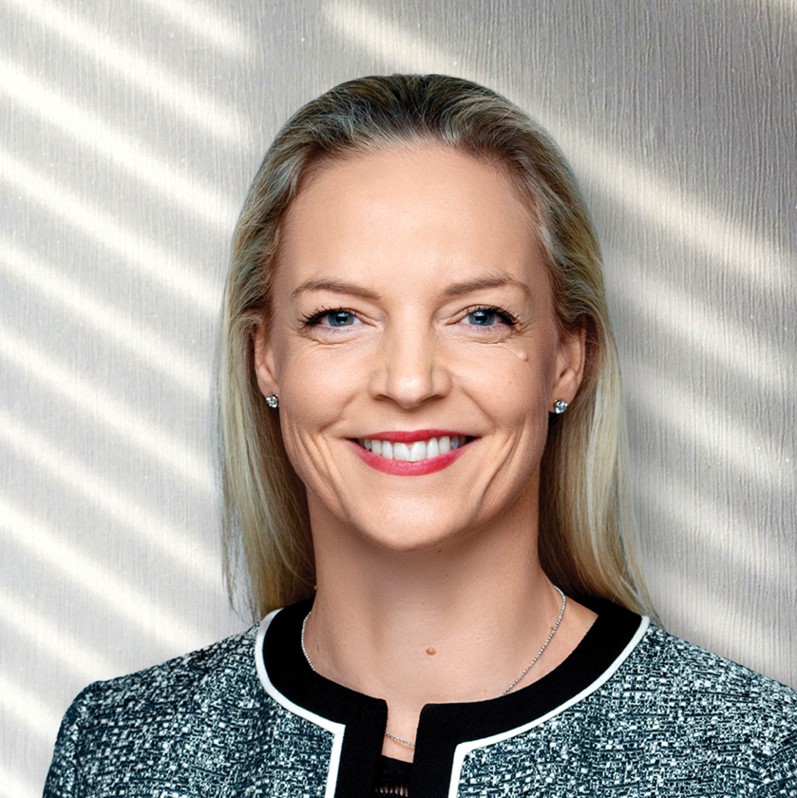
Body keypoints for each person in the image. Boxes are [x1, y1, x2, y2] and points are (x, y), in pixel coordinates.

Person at [44, 74, 796, 797]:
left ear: (568, 360)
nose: (408, 383)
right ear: (265, 358)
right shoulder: (116, 753)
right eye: (339, 317)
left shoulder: (756, 761)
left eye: (480, 316)